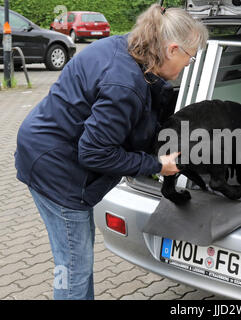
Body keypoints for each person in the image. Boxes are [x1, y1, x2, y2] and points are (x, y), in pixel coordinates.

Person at [14, 4, 208, 300]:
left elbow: (137, 108)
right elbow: (93, 153)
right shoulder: (124, 84)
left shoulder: (129, 48)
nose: (187, 65)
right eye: (189, 58)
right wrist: (156, 165)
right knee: (73, 270)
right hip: (57, 171)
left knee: (77, 259)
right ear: (171, 49)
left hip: (49, 150)